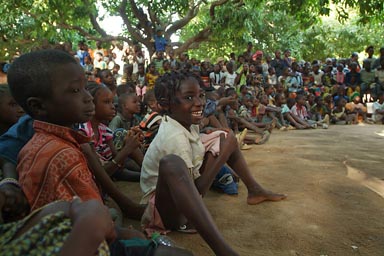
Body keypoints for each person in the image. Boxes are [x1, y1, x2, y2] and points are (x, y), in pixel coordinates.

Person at [140, 71, 286, 256]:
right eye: (189, 97)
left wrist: (219, 139)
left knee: (226, 137)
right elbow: (195, 188)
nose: (199, 102)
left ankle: (255, 189)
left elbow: (203, 131)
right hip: (165, 212)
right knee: (172, 163)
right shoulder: (174, 137)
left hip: (182, 194)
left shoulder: (184, 121)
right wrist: (221, 158)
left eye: (200, 95)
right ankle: (223, 250)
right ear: (165, 104)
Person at [78, 84, 142, 182]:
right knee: (138, 176)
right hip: (97, 177)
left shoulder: (105, 130)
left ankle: (149, 172)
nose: (113, 107)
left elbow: (119, 164)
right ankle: (149, 173)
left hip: (111, 170)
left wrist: (128, 144)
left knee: (139, 174)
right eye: (107, 102)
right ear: (92, 104)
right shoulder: (84, 131)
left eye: (112, 102)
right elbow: (100, 174)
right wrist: (127, 149)